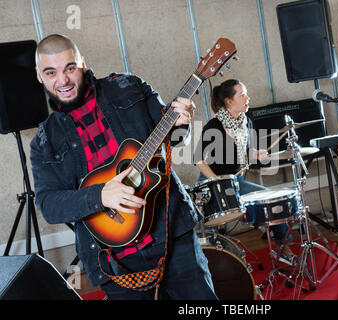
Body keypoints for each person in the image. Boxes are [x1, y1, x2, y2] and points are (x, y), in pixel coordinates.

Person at [30, 34, 217, 300]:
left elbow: (173, 139)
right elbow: (49, 204)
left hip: (171, 235)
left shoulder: (129, 87)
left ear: (82, 63)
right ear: (39, 75)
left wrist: (182, 125)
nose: (63, 81)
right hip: (113, 260)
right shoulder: (44, 141)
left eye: (70, 68)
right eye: (51, 72)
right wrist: (101, 196)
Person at [195, 79, 295, 264]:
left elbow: (244, 153)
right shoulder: (214, 126)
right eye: (242, 95)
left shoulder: (246, 122)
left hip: (234, 181)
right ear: (229, 101)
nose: (247, 98)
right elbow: (198, 160)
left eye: (246, 93)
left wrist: (257, 154)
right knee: (212, 225)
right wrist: (218, 181)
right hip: (211, 182)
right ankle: (215, 261)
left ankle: (283, 249)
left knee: (270, 200)